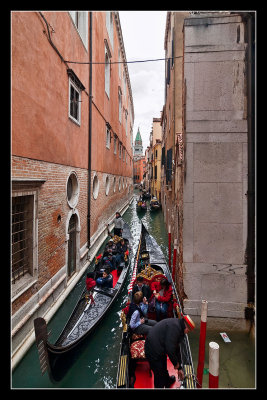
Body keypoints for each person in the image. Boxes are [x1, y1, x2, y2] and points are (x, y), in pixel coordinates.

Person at [144, 315, 195, 388]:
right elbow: (170, 349)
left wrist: (179, 367)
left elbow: (176, 348)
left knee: (163, 366)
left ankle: (167, 381)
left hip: (160, 346)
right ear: (186, 326)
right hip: (152, 350)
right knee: (159, 375)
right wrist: (176, 364)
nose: (187, 332)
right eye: (188, 330)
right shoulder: (176, 329)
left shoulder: (179, 327)